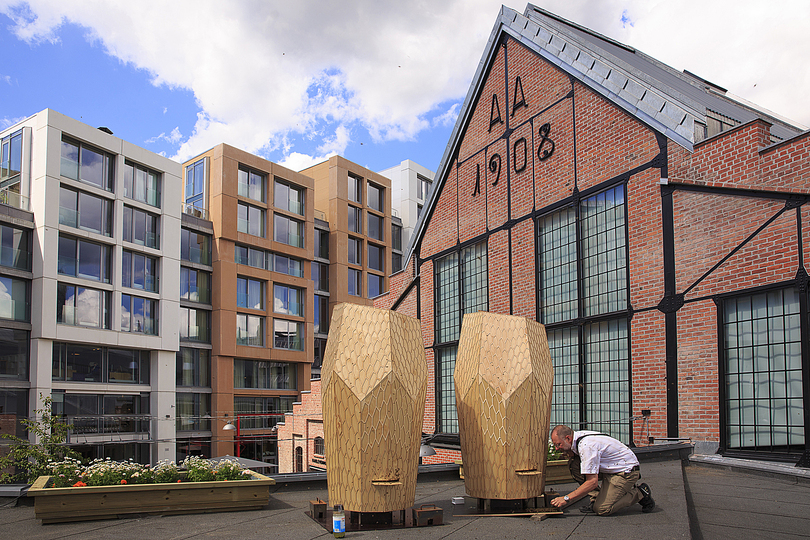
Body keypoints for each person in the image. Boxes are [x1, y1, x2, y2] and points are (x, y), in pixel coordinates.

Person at [549, 424, 655, 515]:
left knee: (602, 509)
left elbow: (592, 482)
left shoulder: (586, 446)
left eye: (558, 444)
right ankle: (596, 498)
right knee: (574, 464)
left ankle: (640, 493)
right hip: (611, 467)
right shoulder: (578, 437)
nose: (557, 448)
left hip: (626, 472)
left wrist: (566, 498)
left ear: (568, 438)